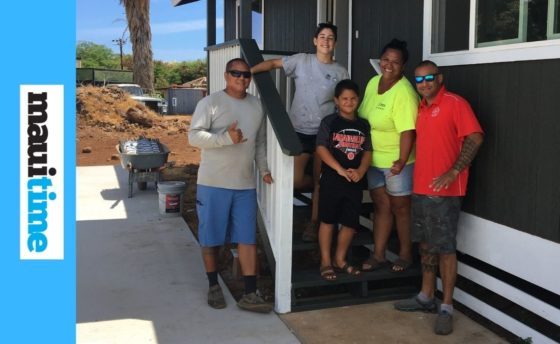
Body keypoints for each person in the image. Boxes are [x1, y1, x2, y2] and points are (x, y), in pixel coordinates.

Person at [394, 60, 483, 335]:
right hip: (421, 188)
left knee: (445, 248)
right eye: (419, 80)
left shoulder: (455, 103)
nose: (424, 83)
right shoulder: (421, 108)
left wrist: (454, 171)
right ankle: (425, 296)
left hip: (445, 193)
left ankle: (446, 306)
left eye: (429, 78)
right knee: (426, 245)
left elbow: (476, 137)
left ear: (440, 78)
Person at [188, 58, 274, 313]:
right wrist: (226, 137)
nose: (242, 78)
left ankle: (250, 294)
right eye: (236, 73)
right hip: (213, 183)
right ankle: (214, 286)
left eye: (246, 75)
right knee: (211, 238)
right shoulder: (210, 103)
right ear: (226, 75)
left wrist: (265, 169)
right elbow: (194, 136)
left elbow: (258, 143)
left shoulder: (257, 106)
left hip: (245, 185)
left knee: (247, 239)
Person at [251, 23, 349, 242]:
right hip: (300, 132)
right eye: (322, 36)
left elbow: (343, 102)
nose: (326, 41)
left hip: (325, 134)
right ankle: (317, 190)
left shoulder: (340, 71)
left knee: (320, 182)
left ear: (335, 43)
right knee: (296, 180)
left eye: (330, 37)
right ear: (315, 40)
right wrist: (249, 72)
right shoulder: (302, 61)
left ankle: (313, 223)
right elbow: (274, 64)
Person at [358, 39, 419, 272]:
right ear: (380, 60)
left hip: (397, 162)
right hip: (373, 159)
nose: (389, 65)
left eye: (395, 62)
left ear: (403, 66)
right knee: (381, 206)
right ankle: (379, 254)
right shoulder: (374, 82)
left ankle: (405, 254)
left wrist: (402, 161)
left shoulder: (404, 92)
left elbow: (408, 130)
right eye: (386, 60)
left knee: (401, 207)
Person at [316, 79, 372, 281]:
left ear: (358, 100)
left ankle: (340, 259)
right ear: (336, 101)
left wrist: (361, 171)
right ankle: (325, 261)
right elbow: (321, 148)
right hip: (332, 178)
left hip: (354, 180)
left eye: (353, 98)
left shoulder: (363, 124)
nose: (349, 102)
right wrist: (339, 169)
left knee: (350, 222)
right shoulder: (330, 122)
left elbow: (367, 151)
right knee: (328, 219)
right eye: (344, 99)